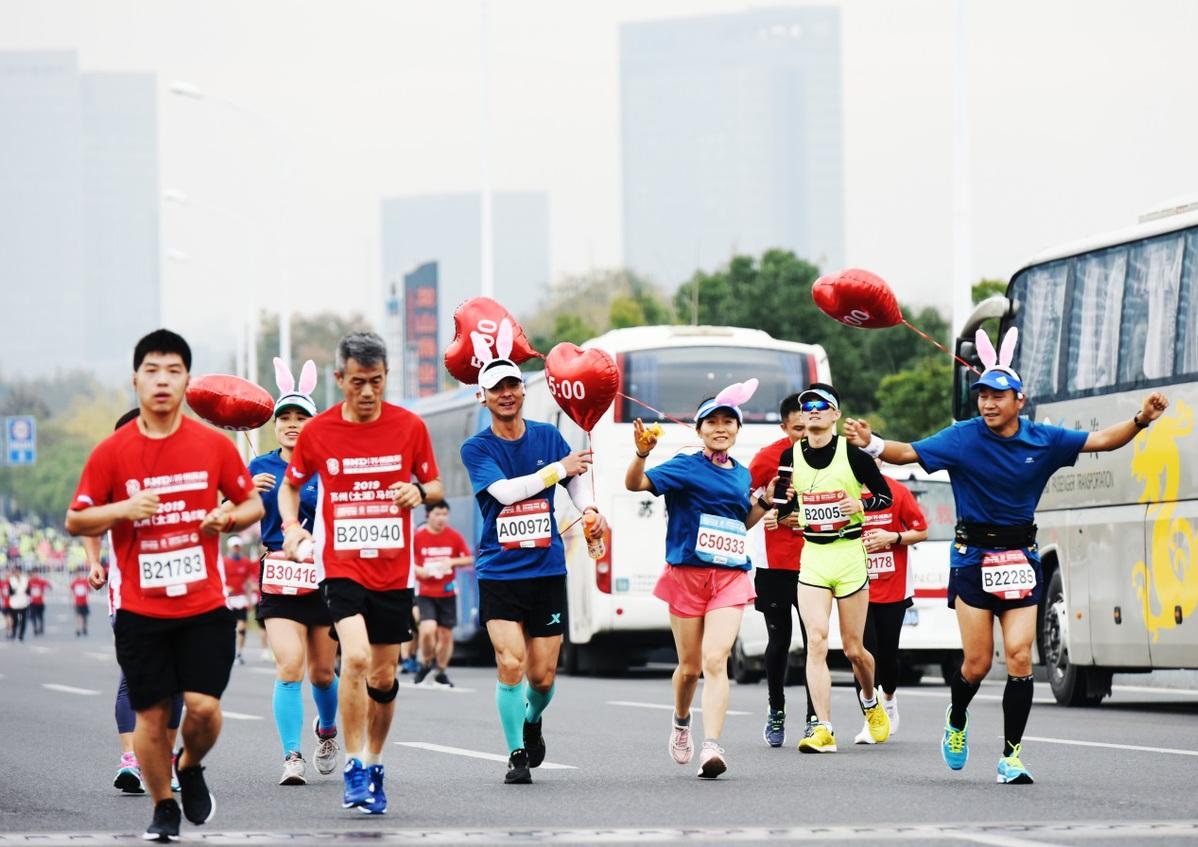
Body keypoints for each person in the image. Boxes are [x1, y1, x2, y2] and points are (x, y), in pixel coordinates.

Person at [845, 328, 1169, 784]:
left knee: (1019, 657)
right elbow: (909, 453)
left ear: (1020, 399)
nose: (988, 403)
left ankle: (1011, 756)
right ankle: (957, 717)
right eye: (982, 396)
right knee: (976, 665)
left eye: (998, 396)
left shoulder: (1044, 440)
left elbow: (1102, 442)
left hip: (1020, 555)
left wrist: (1142, 419)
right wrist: (873, 444)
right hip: (973, 557)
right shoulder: (963, 438)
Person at [66, 329, 264, 841]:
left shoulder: (211, 446)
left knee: (203, 709)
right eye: (152, 370)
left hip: (203, 603)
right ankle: (162, 806)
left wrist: (227, 517)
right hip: (141, 606)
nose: (162, 380)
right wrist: (123, 510)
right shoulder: (112, 453)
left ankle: (191, 764)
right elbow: (77, 519)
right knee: (152, 716)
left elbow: (252, 505)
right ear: (136, 379)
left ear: (186, 381)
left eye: (173, 371)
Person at [280, 332, 442, 814]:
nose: (367, 392)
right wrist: (291, 528)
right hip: (341, 567)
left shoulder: (410, 427)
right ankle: (353, 766)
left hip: (394, 572)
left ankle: (373, 761)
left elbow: (433, 482)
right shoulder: (319, 432)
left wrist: (419, 492)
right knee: (354, 659)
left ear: (386, 377)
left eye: (376, 382)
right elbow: (290, 488)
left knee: (384, 676)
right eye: (357, 383)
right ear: (339, 380)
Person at [460, 341, 606, 785]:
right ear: (481, 396)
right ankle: (516, 754)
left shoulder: (548, 437)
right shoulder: (476, 448)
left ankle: (533, 718)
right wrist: (558, 470)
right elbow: (505, 493)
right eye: (496, 388)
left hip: (546, 570)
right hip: (499, 570)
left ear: (523, 391)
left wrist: (590, 511)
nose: (506, 393)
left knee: (541, 677)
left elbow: (577, 486)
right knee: (511, 663)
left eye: (513, 386)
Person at [625, 380, 774, 779]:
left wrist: (762, 503)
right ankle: (680, 720)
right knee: (689, 668)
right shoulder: (684, 465)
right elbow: (635, 484)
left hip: (729, 575)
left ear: (737, 430)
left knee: (716, 660)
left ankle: (712, 746)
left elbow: (739, 524)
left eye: (729, 421)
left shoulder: (742, 475)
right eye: (713, 422)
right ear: (699, 429)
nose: (720, 428)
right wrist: (641, 455)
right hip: (687, 575)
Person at [779, 383, 893, 754]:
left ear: (834, 415)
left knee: (854, 649)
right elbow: (781, 506)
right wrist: (783, 509)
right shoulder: (789, 456)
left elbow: (883, 496)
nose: (812, 409)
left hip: (848, 556)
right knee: (815, 641)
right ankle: (823, 727)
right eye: (806, 405)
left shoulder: (854, 455)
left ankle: (870, 700)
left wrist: (856, 502)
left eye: (820, 404)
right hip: (813, 555)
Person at [249, 358, 341, 787]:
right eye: (284, 417)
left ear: (313, 423)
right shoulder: (259, 468)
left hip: (321, 577)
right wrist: (249, 495)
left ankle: (326, 731)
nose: (291, 424)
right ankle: (291, 755)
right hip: (279, 579)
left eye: (300, 417)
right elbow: (233, 515)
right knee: (289, 666)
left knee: (322, 673)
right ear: (274, 426)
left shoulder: (328, 466)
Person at [84, 408, 185, 795]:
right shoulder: (109, 477)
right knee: (134, 676)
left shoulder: (177, 475)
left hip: (176, 592)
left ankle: (167, 759)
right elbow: (88, 519)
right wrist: (95, 562)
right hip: (128, 595)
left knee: (174, 681)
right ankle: (130, 760)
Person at [747, 392, 816, 747]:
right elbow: (744, 500)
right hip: (773, 565)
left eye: (811, 426)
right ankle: (776, 709)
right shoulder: (768, 457)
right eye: (798, 428)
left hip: (816, 564)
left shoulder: (831, 456)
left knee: (815, 644)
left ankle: (815, 718)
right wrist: (766, 510)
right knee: (779, 641)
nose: (806, 434)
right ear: (784, 426)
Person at [852, 468, 928, 744]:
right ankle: (870, 720)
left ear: (880, 460)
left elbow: (921, 531)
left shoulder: (897, 491)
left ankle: (890, 699)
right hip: (856, 585)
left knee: (887, 656)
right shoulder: (844, 493)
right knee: (860, 654)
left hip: (893, 586)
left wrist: (892, 537)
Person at [412, 501, 474, 687]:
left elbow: (469, 558)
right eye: (437, 514)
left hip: (447, 592)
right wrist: (419, 570)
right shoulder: (418, 537)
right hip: (425, 591)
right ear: (427, 516)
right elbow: (407, 560)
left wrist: (452, 562)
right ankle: (426, 662)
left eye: (445, 514)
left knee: (446, 634)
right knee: (428, 630)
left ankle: (440, 671)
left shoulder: (454, 536)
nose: (441, 518)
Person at [223, 537, 253, 663]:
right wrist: (224, 588)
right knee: (228, 628)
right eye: (234, 546)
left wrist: (250, 598)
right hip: (227, 599)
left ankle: (238, 653)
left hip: (241, 598)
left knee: (241, 628)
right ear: (230, 547)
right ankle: (227, 652)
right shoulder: (223, 562)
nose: (236, 549)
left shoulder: (246, 562)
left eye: (238, 546)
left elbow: (248, 581)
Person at [6, 567, 29, 642]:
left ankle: (21, 635)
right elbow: (10, 592)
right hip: (14, 603)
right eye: (16, 572)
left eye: (18, 572)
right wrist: (15, 590)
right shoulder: (11, 580)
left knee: (23, 620)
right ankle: (14, 633)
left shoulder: (25, 580)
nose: (17, 573)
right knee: (15, 620)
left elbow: (28, 591)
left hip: (24, 602)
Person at [27, 569, 49, 636]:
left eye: (36, 574)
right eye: (33, 574)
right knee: (33, 616)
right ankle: (35, 628)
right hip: (32, 602)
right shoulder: (29, 582)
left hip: (40, 602)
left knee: (40, 616)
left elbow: (48, 585)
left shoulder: (41, 581)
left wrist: (46, 590)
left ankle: (41, 627)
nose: (35, 575)